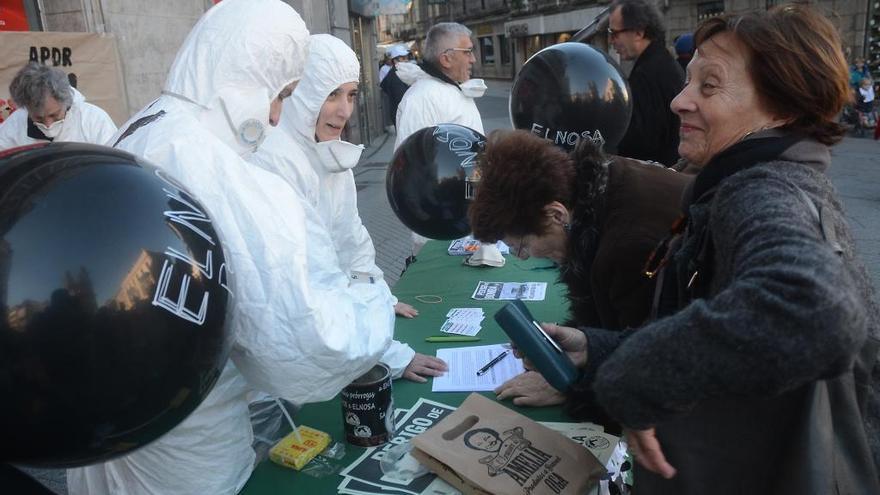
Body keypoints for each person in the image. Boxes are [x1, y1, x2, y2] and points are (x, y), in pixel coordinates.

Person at [537, 5, 880, 492]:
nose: (679, 101)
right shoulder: (744, 178)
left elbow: (816, 309)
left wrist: (639, 371)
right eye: (688, 81)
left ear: (782, 108)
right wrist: (604, 349)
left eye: (709, 86)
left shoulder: (762, 190)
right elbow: (716, 321)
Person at [67, 1, 394, 493]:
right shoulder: (206, 158)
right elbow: (303, 338)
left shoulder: (148, 121)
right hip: (187, 424)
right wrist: (375, 306)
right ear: (248, 74)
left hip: (106, 413)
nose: (276, 114)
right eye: (279, 92)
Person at [251, 34, 447, 383]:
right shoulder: (274, 164)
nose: (344, 110)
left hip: (322, 347)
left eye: (351, 94)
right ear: (301, 93)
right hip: (280, 365)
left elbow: (351, 242)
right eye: (331, 95)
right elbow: (310, 282)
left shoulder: (328, 154)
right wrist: (389, 354)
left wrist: (379, 298)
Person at [467, 129, 688, 412]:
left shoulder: (629, 246)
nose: (523, 259)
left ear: (556, 215)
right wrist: (577, 347)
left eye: (521, 245)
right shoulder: (601, 186)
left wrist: (573, 386)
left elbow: (654, 361)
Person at [608, 0, 684, 167]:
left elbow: (641, 141)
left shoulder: (648, 73)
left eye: (615, 33)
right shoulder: (661, 62)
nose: (611, 41)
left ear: (638, 33)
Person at [393, 22, 485, 150]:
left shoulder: (451, 88)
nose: (473, 59)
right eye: (467, 52)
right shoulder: (421, 99)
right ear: (446, 59)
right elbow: (410, 160)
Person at [0, 62, 116, 149]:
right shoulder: (15, 124)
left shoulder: (94, 120)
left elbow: (116, 161)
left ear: (65, 102)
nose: (48, 125)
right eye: (38, 118)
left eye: (54, 115)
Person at [380, 44, 411, 125]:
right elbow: (403, 99)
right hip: (403, 116)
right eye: (403, 58)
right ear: (395, 60)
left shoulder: (399, 73)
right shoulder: (395, 76)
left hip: (402, 115)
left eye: (406, 58)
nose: (406, 60)